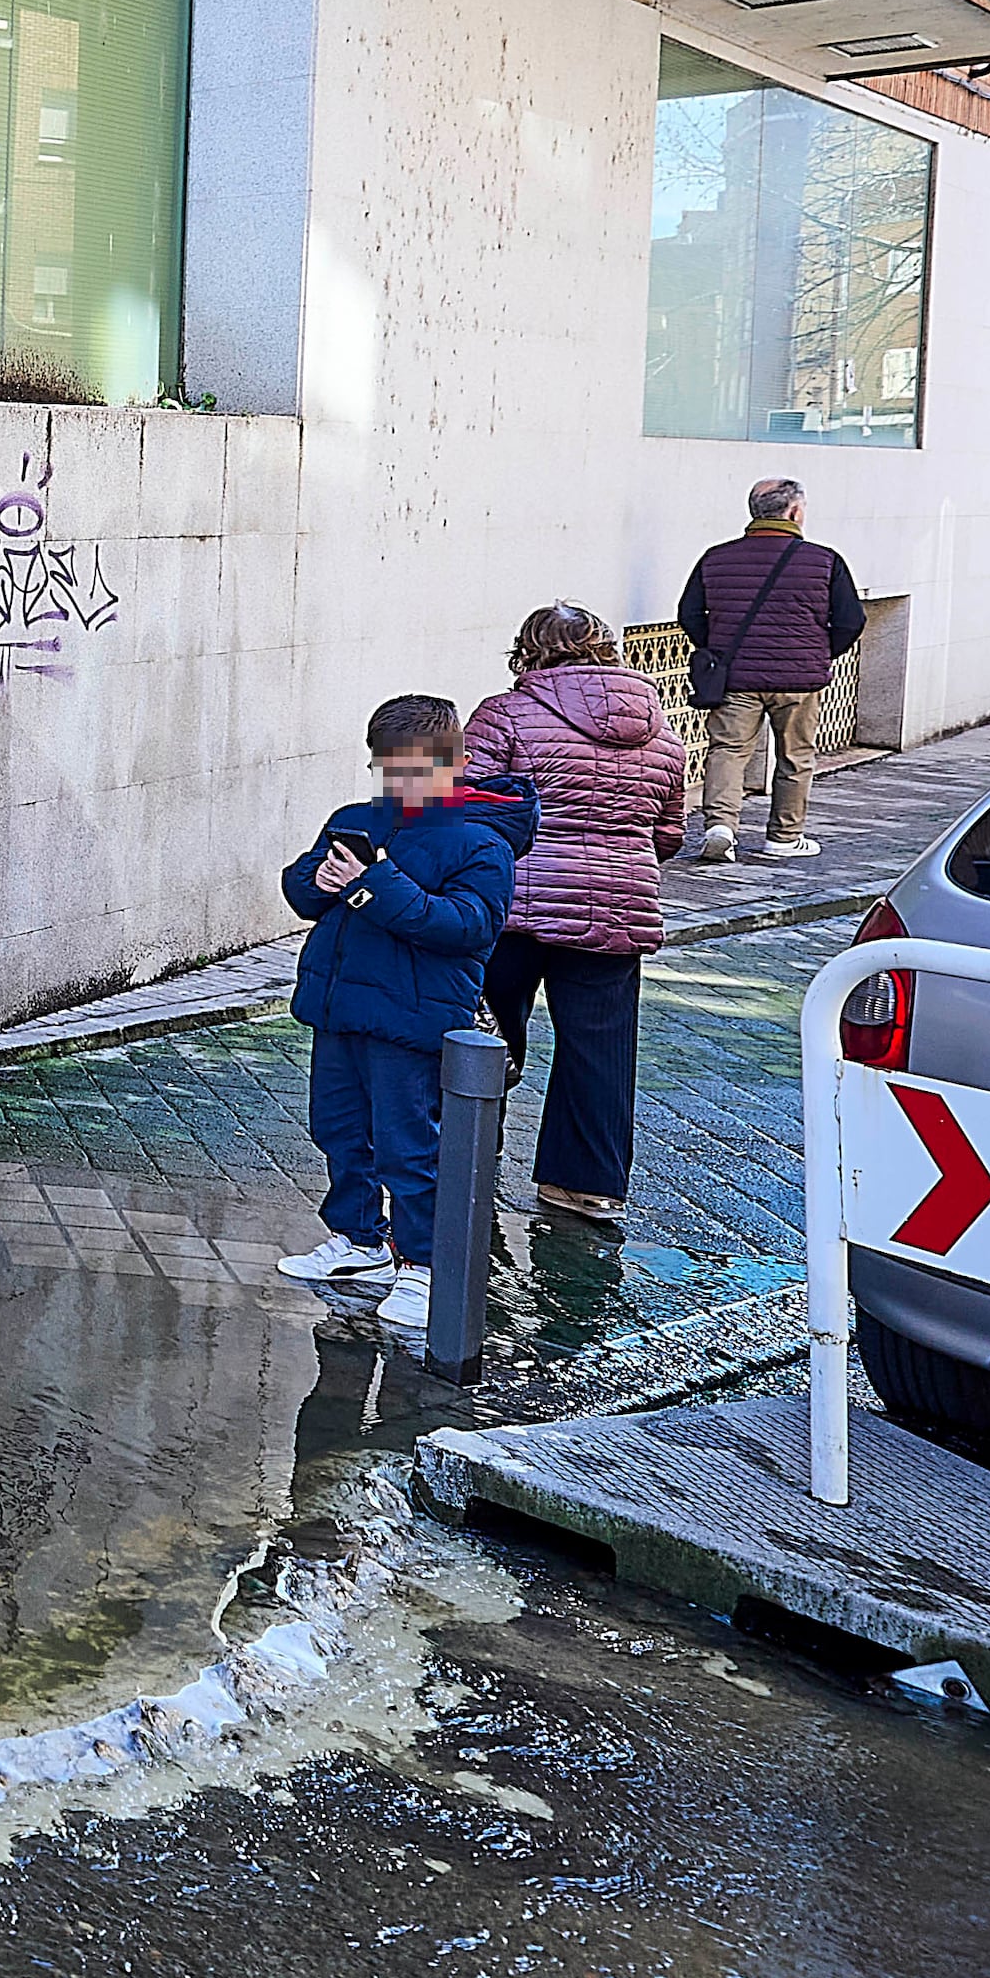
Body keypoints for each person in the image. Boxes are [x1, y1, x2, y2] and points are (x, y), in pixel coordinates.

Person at [275, 695, 535, 1339]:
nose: (402, 785)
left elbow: (468, 927)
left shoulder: (480, 841)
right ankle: (358, 1239)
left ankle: (423, 1264)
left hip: (416, 1019)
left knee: (409, 1145)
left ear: (457, 763)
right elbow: (303, 890)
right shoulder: (356, 819)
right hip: (340, 1009)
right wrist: (322, 879)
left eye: (419, 771)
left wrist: (372, 884)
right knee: (338, 1130)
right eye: (389, 770)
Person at [465, 605, 686, 1223]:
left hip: (511, 902)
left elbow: (470, 805)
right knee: (601, 1047)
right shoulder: (660, 730)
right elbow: (669, 833)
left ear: (528, 651)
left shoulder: (504, 714)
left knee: (485, 1031)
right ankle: (587, 1185)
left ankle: (468, 1160)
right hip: (618, 906)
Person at [675, 478, 865, 860]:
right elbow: (851, 620)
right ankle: (783, 837)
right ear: (794, 512)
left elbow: (690, 614)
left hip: (735, 677)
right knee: (796, 756)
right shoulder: (824, 560)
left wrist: (717, 649)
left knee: (727, 750)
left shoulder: (716, 557)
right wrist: (819, 652)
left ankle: (720, 828)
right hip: (799, 679)